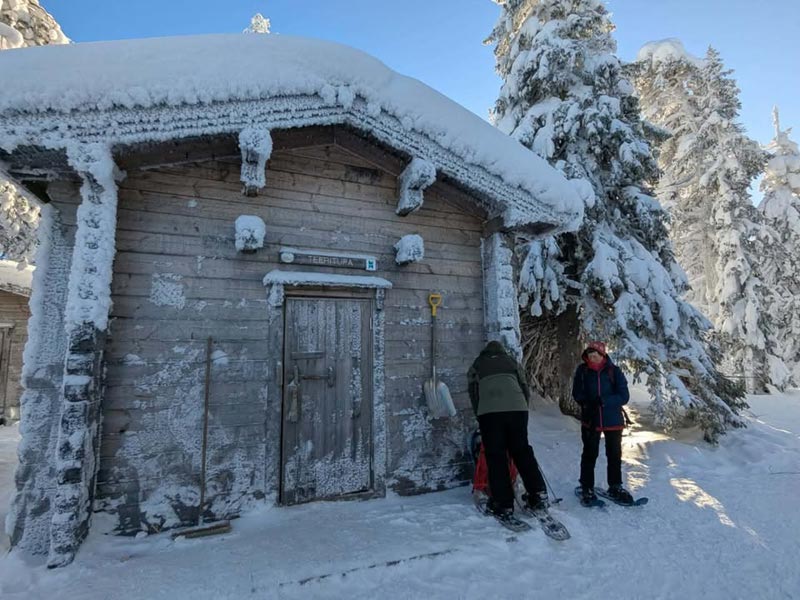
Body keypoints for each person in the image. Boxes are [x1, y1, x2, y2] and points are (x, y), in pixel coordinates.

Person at [467, 340, 548, 520]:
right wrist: (521, 409)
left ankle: (503, 504)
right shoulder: (511, 362)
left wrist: (480, 414)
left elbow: (473, 392)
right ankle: (538, 494)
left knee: (496, 456)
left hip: (490, 413)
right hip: (517, 410)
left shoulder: (478, 364)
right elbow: (524, 386)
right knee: (521, 451)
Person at [572, 341, 633, 504]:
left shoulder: (614, 371)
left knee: (614, 455)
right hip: (591, 420)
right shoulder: (582, 371)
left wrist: (604, 401)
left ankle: (615, 486)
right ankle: (587, 487)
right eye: (590, 356)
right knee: (589, 454)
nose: (593, 359)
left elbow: (624, 396)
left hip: (613, 421)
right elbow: (577, 393)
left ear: (603, 355)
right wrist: (587, 402)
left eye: (596, 356)